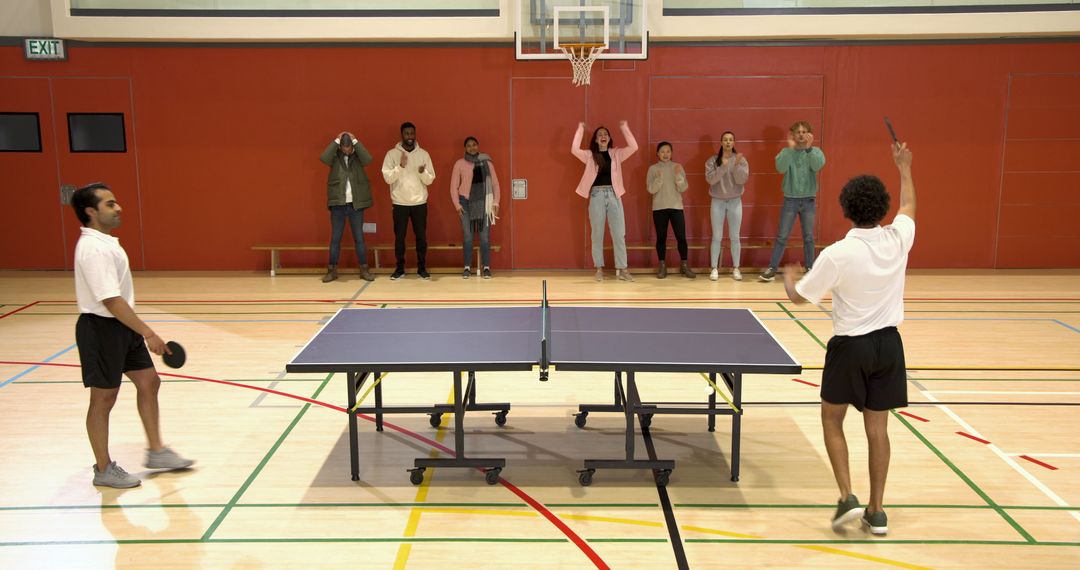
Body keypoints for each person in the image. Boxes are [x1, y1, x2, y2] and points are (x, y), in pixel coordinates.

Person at [782, 142, 916, 536]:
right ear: (881, 208)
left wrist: (789, 277)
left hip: (850, 346)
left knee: (832, 418)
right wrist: (904, 167)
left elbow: (801, 298)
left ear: (846, 209)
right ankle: (877, 512)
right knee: (878, 430)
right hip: (889, 345)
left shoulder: (837, 254)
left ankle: (846, 496)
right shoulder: (899, 238)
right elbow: (909, 205)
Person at [70, 183, 195, 489]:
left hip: (121, 326)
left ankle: (156, 452)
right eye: (110, 204)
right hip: (101, 329)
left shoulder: (107, 242)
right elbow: (111, 300)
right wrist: (149, 333)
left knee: (149, 381)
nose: (118, 208)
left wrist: (136, 331)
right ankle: (103, 468)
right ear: (91, 211)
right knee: (104, 398)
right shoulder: (93, 249)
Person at [571, 120, 638, 282]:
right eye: (599, 134)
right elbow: (574, 149)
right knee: (597, 234)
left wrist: (624, 127)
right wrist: (579, 129)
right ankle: (599, 269)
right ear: (595, 139)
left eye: (605, 134)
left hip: (614, 195)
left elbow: (634, 147)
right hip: (596, 196)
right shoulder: (589, 156)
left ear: (609, 138)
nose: (603, 136)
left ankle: (622, 269)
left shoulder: (616, 154)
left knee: (619, 233)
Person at [761, 121, 826, 282]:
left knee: (809, 237)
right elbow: (780, 168)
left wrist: (810, 149)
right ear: (793, 135)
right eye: (798, 132)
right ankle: (772, 268)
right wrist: (790, 149)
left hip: (808, 200)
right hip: (790, 199)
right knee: (782, 236)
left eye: (804, 132)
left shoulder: (815, 151)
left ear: (810, 135)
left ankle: (810, 268)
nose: (801, 135)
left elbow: (817, 166)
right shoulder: (786, 152)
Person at [381, 122, 436, 280]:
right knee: (399, 238)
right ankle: (399, 269)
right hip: (400, 203)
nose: (410, 137)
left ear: (415, 134)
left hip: (419, 203)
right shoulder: (391, 154)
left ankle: (422, 268)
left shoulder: (423, 154)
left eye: (412, 133)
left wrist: (422, 172)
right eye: (407, 133)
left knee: (421, 238)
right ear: (401, 135)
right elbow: (387, 178)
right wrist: (400, 166)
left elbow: (430, 179)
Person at [319, 131, 375, 283]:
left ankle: (364, 269)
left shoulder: (358, 156)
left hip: (356, 204)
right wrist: (336, 140)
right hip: (338, 204)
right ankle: (331, 270)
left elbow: (368, 159)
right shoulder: (334, 157)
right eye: (344, 147)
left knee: (359, 238)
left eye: (348, 147)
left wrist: (355, 140)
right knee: (335, 239)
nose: (346, 150)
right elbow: (323, 158)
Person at [450, 136, 501, 279]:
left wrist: (496, 202)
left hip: (485, 204)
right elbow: (453, 187)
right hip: (465, 203)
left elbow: (496, 184)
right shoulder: (459, 164)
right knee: (468, 236)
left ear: (478, 146)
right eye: (469, 145)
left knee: (485, 237)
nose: (472, 147)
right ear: (465, 148)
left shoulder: (487, 163)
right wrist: (457, 205)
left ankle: (486, 268)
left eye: (474, 145)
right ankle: (467, 267)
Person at [704, 131, 749, 281]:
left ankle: (736, 268)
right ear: (721, 142)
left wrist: (735, 166)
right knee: (717, 236)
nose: (728, 142)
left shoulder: (740, 160)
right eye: (725, 140)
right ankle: (714, 268)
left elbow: (741, 180)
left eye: (731, 140)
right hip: (717, 201)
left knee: (735, 236)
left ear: (734, 142)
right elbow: (711, 180)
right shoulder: (712, 161)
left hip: (735, 201)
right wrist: (722, 167)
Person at [646, 141, 694, 279]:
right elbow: (650, 189)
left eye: (668, 151)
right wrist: (659, 180)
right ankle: (662, 266)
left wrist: (678, 177)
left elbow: (683, 188)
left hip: (676, 207)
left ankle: (684, 265)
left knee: (681, 238)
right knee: (661, 238)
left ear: (671, 153)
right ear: (657, 153)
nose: (665, 154)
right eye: (662, 151)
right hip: (659, 208)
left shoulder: (677, 167)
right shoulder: (652, 169)